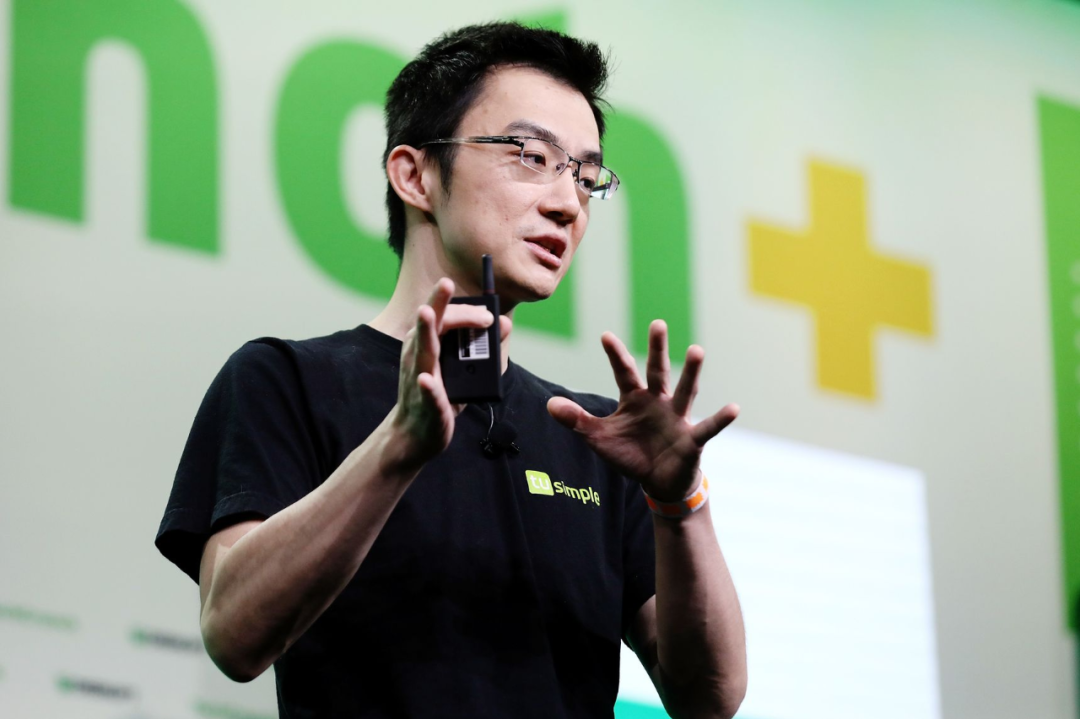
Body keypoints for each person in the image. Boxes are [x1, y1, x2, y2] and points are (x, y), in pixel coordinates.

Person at [156, 21, 746, 719]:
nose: (567, 203)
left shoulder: (597, 437)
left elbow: (710, 699)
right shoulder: (287, 379)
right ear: (415, 175)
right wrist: (397, 448)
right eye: (530, 156)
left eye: (585, 177)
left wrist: (679, 503)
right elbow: (234, 633)